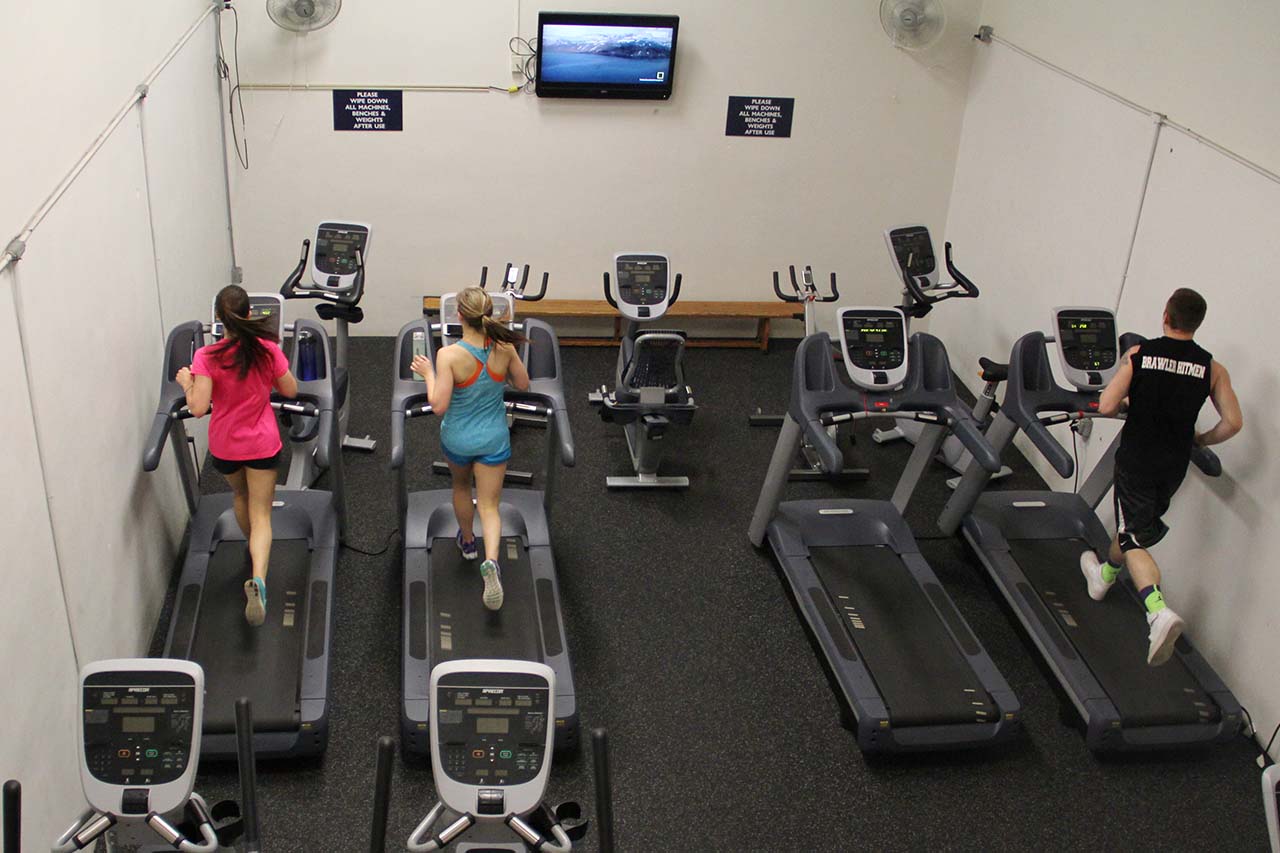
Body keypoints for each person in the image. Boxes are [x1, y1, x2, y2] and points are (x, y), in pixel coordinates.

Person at [1080, 288, 1242, 665]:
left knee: (1133, 537)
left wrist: (1125, 399)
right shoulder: (1213, 369)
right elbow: (1233, 423)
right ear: (1197, 323)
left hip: (1137, 459)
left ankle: (1157, 611)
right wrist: (1200, 439)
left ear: (1165, 316)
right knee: (1134, 527)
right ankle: (1103, 576)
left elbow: (1105, 404)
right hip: (1173, 466)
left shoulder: (1141, 355)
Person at [175, 285, 298, 627]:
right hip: (261, 443)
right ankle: (258, 577)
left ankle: (251, 549)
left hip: (225, 446)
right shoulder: (266, 349)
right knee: (262, 513)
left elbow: (198, 408)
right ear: (248, 315)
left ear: (218, 318)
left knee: (240, 495)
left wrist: (187, 382)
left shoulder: (207, 357)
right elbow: (290, 389)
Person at [411, 287, 530, 610]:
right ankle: (491, 562)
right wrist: (499, 374)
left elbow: (438, 405)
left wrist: (427, 375)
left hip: (459, 439)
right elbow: (523, 383)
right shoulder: (504, 347)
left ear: (459, 315)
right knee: (490, 506)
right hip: (493, 437)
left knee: (461, 486)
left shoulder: (448, 356)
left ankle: (467, 542)